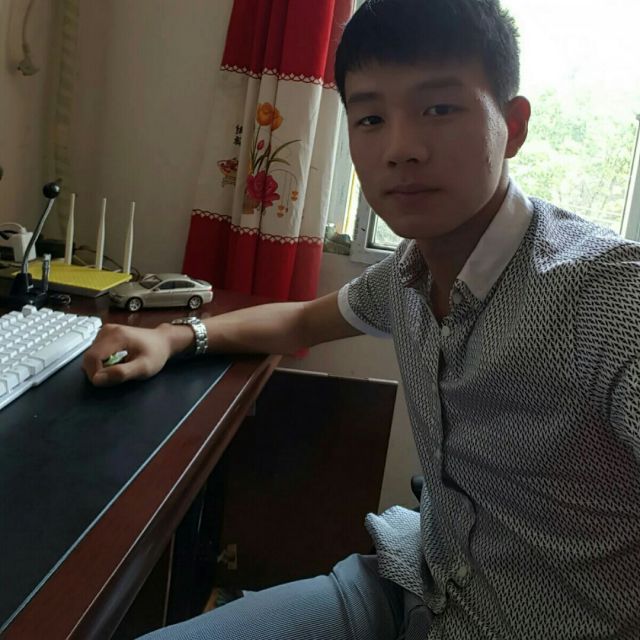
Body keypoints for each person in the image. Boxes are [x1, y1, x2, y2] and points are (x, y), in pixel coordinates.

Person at [83, 0, 640, 637]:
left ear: (512, 127)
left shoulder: (608, 296)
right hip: (415, 586)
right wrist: (175, 337)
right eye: (371, 118)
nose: (401, 149)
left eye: (440, 109)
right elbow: (300, 323)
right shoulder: (410, 274)